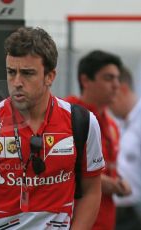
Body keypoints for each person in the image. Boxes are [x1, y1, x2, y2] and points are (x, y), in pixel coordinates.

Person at [0, 27, 105, 229]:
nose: (16, 82)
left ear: (50, 76)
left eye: (27, 73)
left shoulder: (82, 122)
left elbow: (92, 192)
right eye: (11, 72)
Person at [66, 50, 132, 230]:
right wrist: (107, 183)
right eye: (108, 78)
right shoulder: (67, 116)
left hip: (105, 219)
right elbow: (61, 169)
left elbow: (107, 169)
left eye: (118, 79)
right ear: (85, 80)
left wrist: (118, 182)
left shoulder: (112, 124)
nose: (116, 85)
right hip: (74, 220)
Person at [109, 66, 141, 230]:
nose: (109, 104)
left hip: (134, 213)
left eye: (112, 97)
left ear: (122, 90)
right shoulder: (117, 124)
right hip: (116, 212)